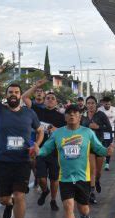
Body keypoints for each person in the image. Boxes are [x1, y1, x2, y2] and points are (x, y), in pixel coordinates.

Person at [35, 104, 113, 218]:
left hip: (83, 177)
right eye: (69, 113)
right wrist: (38, 151)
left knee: (83, 208)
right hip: (65, 178)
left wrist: (106, 151)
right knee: (68, 206)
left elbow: (98, 148)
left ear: (79, 117)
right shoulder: (58, 133)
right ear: (65, 117)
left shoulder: (87, 132)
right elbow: (46, 148)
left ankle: (84, 216)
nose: (72, 115)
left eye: (75, 113)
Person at [0, 65, 44, 218]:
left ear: (20, 95)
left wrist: (36, 145)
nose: (13, 95)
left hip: (23, 161)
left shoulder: (29, 113)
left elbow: (40, 131)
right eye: (10, 92)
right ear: (6, 95)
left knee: (19, 195)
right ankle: (8, 205)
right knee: (4, 199)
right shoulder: (0, 110)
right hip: (3, 161)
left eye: (16, 92)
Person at [22, 79, 66, 211]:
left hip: (55, 152)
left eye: (53, 98)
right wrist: (36, 86)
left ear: (56, 102)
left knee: (54, 179)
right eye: (48, 98)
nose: (50, 100)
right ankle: (44, 190)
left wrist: (56, 130)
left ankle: (53, 200)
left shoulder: (61, 116)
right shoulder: (37, 110)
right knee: (40, 178)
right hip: (40, 150)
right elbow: (24, 97)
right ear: (44, 100)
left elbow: (67, 133)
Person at [81, 96, 112, 204]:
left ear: (96, 104)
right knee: (91, 170)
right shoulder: (83, 116)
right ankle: (91, 192)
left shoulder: (101, 115)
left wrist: (98, 127)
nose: (90, 105)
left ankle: (97, 181)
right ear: (86, 104)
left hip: (99, 145)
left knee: (98, 172)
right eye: (88, 103)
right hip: (87, 146)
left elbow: (109, 128)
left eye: (92, 103)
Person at [98, 96, 115, 171]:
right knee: (103, 146)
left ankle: (107, 164)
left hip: (110, 130)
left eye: (109, 104)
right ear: (103, 104)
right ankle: (104, 158)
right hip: (102, 130)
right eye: (106, 104)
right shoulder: (99, 110)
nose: (107, 106)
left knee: (109, 146)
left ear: (110, 103)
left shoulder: (114, 109)